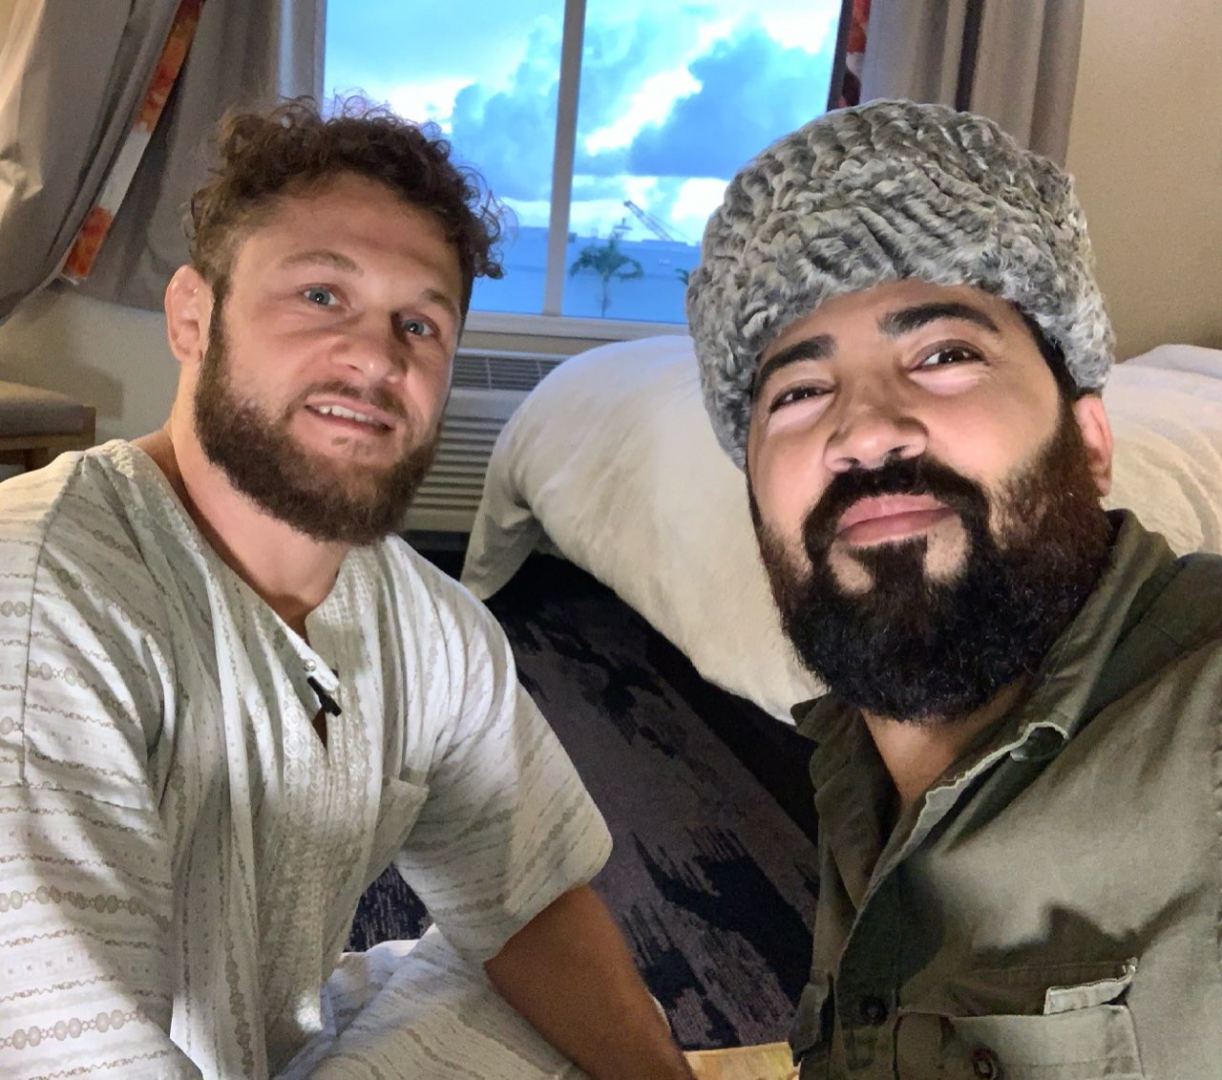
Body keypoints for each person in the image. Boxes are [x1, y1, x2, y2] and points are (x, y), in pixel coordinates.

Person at [0, 99, 694, 1080]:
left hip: (270, 1044)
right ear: (193, 317)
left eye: (419, 322)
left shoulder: (433, 628)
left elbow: (528, 905)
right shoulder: (42, 594)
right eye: (321, 295)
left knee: (595, 1018)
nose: (378, 357)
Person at [686, 99, 1222, 1079]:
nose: (863, 429)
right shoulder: (853, 759)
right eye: (798, 392)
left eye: (944, 355)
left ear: (1089, 441)